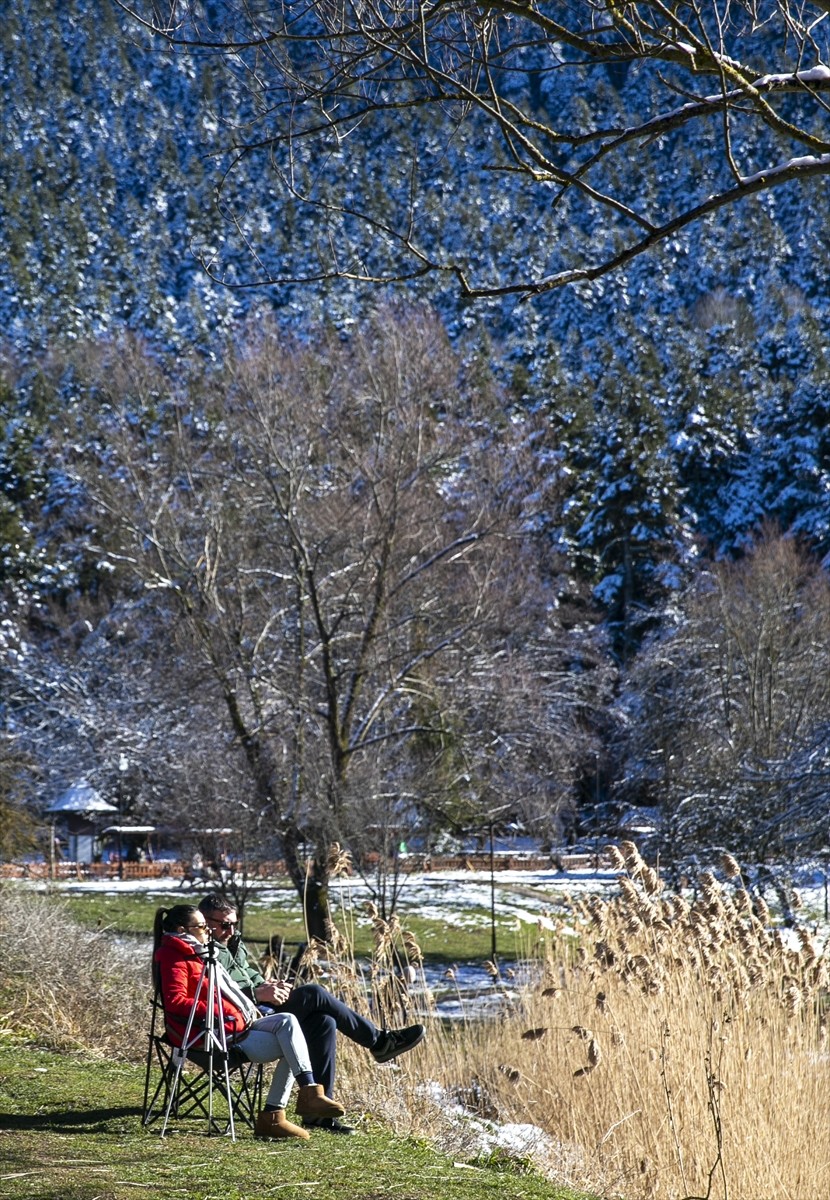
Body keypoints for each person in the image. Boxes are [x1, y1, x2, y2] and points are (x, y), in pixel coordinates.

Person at [198, 892, 426, 1135]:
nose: (230, 930)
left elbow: (248, 975)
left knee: (323, 1021)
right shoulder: (205, 952)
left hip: (261, 1007)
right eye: (224, 925)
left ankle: (317, 1113)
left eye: (234, 924)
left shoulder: (232, 943)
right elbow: (214, 992)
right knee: (315, 993)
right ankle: (379, 1041)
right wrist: (257, 994)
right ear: (205, 922)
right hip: (242, 1019)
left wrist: (270, 986)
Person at [153, 904, 346, 1141]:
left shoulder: (200, 952)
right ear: (183, 929)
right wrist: (222, 1013)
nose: (207, 931)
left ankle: (308, 1091)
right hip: (206, 1035)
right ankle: (274, 1116)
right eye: (202, 926)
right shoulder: (175, 957)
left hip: (231, 1026)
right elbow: (176, 1002)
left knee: (289, 1022)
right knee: (292, 1043)